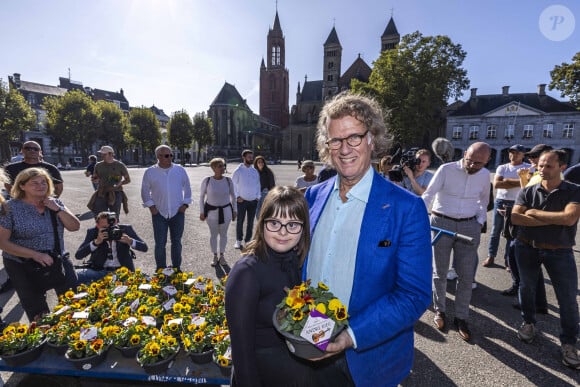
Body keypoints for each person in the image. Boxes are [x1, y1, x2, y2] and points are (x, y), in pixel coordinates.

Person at [303, 92, 432, 386]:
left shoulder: (406, 208)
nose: (344, 149)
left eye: (354, 138)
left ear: (372, 138)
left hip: (368, 360)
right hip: (309, 343)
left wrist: (350, 336)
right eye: (335, 140)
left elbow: (413, 294)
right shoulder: (312, 198)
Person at [225, 186, 315, 387]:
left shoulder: (295, 260)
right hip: (261, 376)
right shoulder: (246, 273)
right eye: (274, 223)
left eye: (292, 224)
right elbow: (241, 353)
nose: (283, 232)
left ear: (303, 227)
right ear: (262, 222)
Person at [512, 149, 580, 369]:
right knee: (527, 288)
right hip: (527, 247)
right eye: (540, 165)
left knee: (567, 299)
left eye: (548, 166)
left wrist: (533, 213)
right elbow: (515, 216)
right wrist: (553, 220)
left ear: (561, 167)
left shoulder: (573, 191)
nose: (542, 169)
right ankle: (529, 322)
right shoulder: (529, 190)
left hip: (559, 250)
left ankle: (569, 343)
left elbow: (569, 218)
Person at [422, 142, 491, 342]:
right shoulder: (446, 169)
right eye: (470, 161)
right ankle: (440, 310)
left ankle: (461, 317)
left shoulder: (485, 174)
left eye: (478, 163)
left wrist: (479, 222)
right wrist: (417, 219)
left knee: (466, 276)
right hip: (441, 221)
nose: (472, 166)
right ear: (464, 154)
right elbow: (429, 194)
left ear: (487, 161)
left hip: (469, 225)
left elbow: (484, 201)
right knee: (440, 271)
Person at [0, 168, 79, 322]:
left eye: (44, 182)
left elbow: (74, 226)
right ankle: (46, 341)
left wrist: (57, 209)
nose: (40, 186)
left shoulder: (55, 202)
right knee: (38, 310)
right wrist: (35, 254)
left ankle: (74, 335)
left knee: (74, 301)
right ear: (21, 186)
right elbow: (2, 242)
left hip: (57, 259)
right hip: (23, 264)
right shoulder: (10, 208)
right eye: (34, 183)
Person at [141, 145, 191, 271]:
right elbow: (145, 191)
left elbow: (188, 188)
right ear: (158, 157)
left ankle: (176, 268)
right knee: (160, 244)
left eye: (171, 155)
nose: (170, 158)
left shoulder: (180, 170)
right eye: (167, 155)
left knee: (176, 242)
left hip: (178, 212)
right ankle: (160, 269)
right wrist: (152, 208)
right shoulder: (150, 172)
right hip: (159, 213)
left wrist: (185, 205)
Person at [482, 144, 530, 268]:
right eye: (511, 152)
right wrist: (520, 180)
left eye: (517, 153)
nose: (513, 155)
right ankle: (491, 256)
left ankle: (508, 259)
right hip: (501, 200)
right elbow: (497, 184)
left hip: (517, 203)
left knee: (511, 233)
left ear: (523, 154)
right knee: (495, 231)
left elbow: (528, 185)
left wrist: (507, 181)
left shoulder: (528, 168)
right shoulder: (502, 167)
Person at [75, 212, 148, 284]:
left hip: (122, 272)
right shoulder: (93, 232)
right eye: (105, 228)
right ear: (97, 225)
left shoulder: (125, 229)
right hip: (100, 271)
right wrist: (95, 243)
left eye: (112, 227)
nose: (109, 230)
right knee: (74, 276)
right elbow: (78, 255)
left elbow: (144, 248)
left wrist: (130, 241)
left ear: (116, 222)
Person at [199, 158, 237, 267]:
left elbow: (233, 196)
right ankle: (215, 255)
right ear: (213, 168)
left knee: (224, 234)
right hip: (211, 212)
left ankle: (222, 255)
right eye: (219, 166)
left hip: (226, 211)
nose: (222, 168)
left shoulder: (228, 181)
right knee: (213, 235)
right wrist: (202, 212)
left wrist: (235, 210)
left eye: (223, 166)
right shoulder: (207, 181)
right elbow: (201, 197)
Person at [89, 145, 131, 218]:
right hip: (102, 192)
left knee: (114, 216)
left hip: (116, 192)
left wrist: (120, 183)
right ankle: (102, 228)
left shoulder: (120, 165)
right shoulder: (98, 165)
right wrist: (95, 180)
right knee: (100, 216)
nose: (102, 156)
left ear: (111, 154)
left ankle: (114, 228)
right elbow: (95, 177)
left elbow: (128, 180)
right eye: (101, 154)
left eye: (104, 154)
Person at [231, 150, 260, 250]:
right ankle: (238, 241)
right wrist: (237, 196)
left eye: (252, 157)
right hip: (241, 201)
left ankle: (248, 241)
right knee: (240, 221)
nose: (251, 159)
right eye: (249, 157)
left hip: (253, 200)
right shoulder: (238, 171)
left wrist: (258, 196)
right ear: (244, 158)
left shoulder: (254, 171)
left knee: (251, 222)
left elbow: (258, 184)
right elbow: (233, 185)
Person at [254, 155, 276, 219]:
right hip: (256, 194)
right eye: (259, 162)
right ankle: (259, 223)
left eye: (262, 162)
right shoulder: (254, 172)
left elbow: (272, 183)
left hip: (265, 192)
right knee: (257, 210)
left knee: (264, 209)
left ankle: (263, 223)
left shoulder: (268, 171)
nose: (261, 163)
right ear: (256, 163)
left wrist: (272, 194)